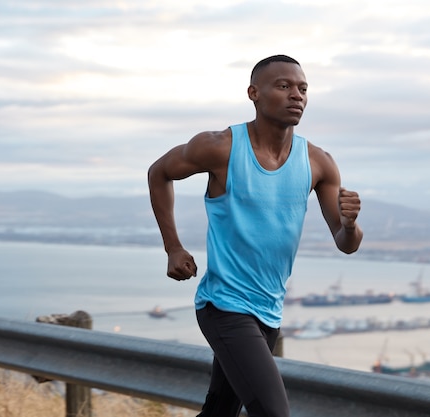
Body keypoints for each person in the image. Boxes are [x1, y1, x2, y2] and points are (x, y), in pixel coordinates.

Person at [148, 54, 363, 417]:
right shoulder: (220, 147)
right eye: (283, 86)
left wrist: (350, 224)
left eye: (303, 88)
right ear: (254, 93)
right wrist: (173, 246)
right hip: (225, 306)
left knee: (219, 412)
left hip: (269, 311)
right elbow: (159, 173)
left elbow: (345, 244)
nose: (297, 95)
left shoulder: (318, 163)